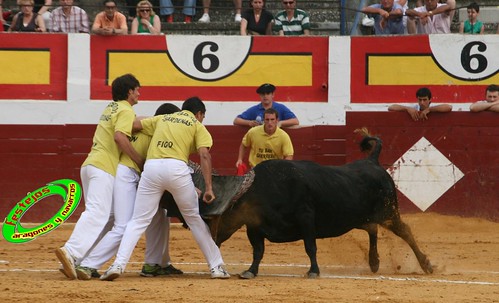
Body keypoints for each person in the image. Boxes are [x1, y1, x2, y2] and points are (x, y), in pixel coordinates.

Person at [99, 96, 230, 281]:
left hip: (151, 168)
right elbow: (204, 155)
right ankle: (217, 267)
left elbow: (134, 124)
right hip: (176, 169)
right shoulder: (196, 124)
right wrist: (208, 187)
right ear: (199, 113)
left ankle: (118, 264)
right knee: (193, 218)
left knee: (138, 221)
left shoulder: (162, 119)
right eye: (202, 116)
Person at [74, 103, 183, 280]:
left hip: (122, 173)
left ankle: (155, 263)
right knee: (123, 226)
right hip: (127, 175)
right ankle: (87, 264)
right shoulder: (159, 131)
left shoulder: (141, 125)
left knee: (158, 214)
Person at [55, 74, 144, 280]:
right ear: (130, 92)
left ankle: (81, 260)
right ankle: (71, 251)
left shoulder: (110, 108)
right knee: (98, 213)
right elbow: (120, 136)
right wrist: (139, 160)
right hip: (104, 166)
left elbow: (134, 124)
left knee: (108, 217)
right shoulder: (125, 109)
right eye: (137, 89)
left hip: (91, 164)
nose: (139, 93)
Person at [234, 83, 299, 128]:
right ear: (260, 95)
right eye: (263, 94)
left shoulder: (280, 108)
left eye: (268, 93)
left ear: (273, 95)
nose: (265, 96)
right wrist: (249, 123)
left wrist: (281, 123)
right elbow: (236, 120)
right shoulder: (254, 109)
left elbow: (295, 121)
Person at [388, 87, 452, 121]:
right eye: (420, 100)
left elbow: (449, 107)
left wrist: (429, 109)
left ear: (430, 99)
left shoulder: (434, 107)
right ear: (417, 99)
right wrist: (407, 108)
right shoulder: (414, 107)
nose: (422, 102)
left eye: (424, 100)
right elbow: (391, 107)